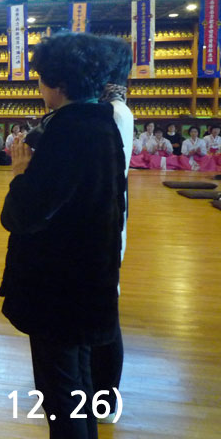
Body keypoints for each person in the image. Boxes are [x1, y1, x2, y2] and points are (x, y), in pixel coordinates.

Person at [0, 32, 126, 439]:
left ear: (59, 83)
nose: (39, 88)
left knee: (60, 392)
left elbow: (24, 215)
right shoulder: (101, 123)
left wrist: (21, 174)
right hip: (90, 276)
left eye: (41, 79)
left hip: (58, 287)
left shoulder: (67, 133)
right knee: (80, 381)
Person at [91, 34, 133, 420]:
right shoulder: (110, 109)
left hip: (104, 221)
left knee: (106, 311)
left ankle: (106, 396)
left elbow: (103, 175)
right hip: (102, 218)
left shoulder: (114, 113)